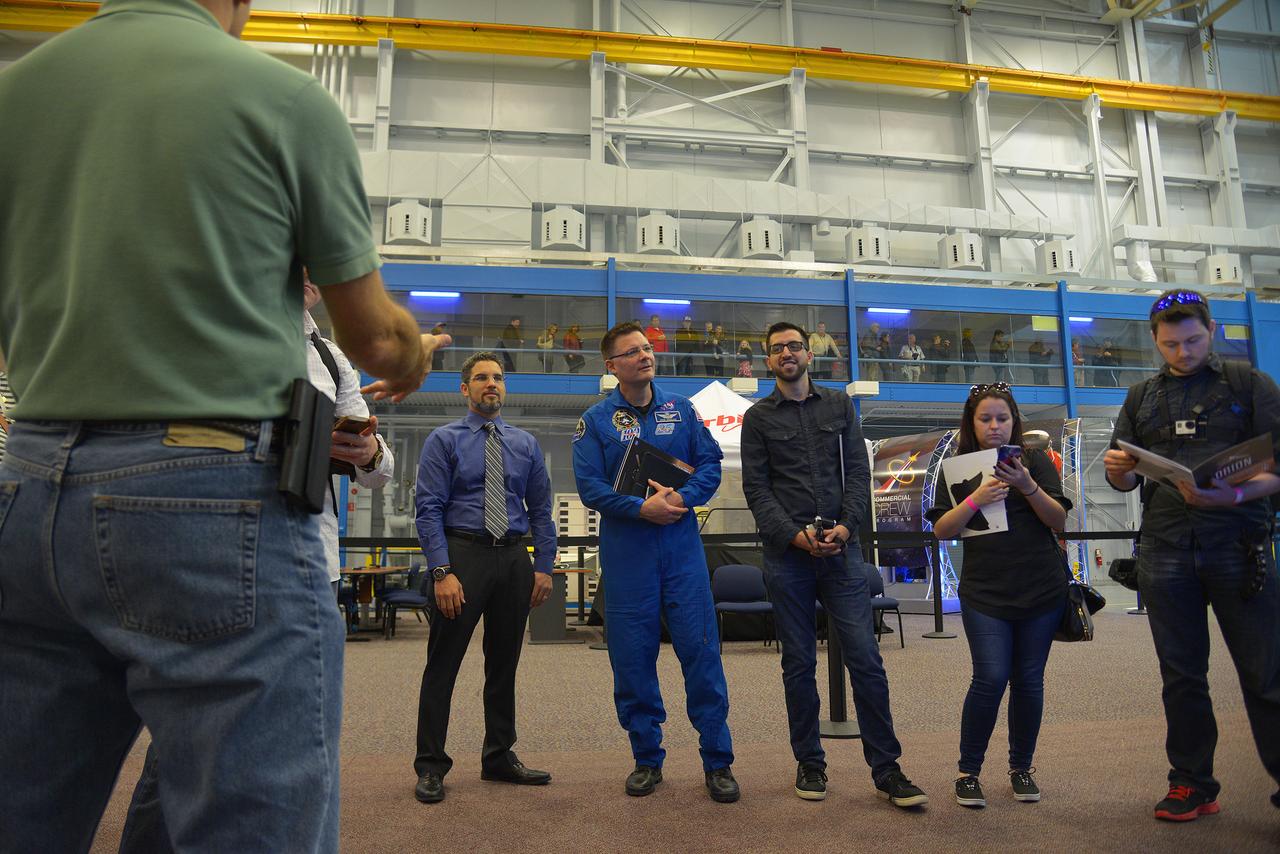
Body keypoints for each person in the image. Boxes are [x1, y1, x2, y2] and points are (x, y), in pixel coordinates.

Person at [0, 0, 448, 847]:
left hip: (28, 489)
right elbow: (375, 340)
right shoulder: (279, 96)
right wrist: (417, 353)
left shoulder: (15, 93)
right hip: (209, 498)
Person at [118, 276, 399, 851]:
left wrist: (365, 449)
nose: (308, 276)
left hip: (309, 561)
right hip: (215, 553)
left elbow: (380, 467)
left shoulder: (329, 355)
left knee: (301, 740)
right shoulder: (213, 326)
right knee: (190, 736)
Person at [1103, 289, 1280, 822]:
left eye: (1193, 340)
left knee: (1266, 673)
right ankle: (1191, 782)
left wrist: (1230, 495)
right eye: (1170, 344)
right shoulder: (1140, 397)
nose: (1183, 352)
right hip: (1166, 549)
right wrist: (1118, 470)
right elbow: (1124, 476)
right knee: (1181, 675)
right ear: (1155, 341)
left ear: (1211, 329)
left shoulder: (1251, 385)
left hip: (1238, 544)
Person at [740, 321, 928, 809]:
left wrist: (847, 527)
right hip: (787, 559)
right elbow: (757, 490)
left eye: (795, 346)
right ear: (768, 360)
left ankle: (887, 770)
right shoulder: (758, 418)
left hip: (843, 554)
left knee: (866, 659)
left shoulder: (839, 405)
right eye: (777, 347)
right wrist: (794, 536)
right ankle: (810, 763)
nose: (787, 353)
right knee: (798, 664)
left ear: (809, 354)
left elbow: (859, 471)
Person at [572, 322, 740, 804]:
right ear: (613, 366)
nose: (645, 355)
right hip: (628, 560)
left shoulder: (682, 411)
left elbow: (710, 465)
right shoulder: (595, 422)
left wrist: (682, 498)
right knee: (632, 663)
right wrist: (640, 508)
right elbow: (590, 488)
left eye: (647, 348)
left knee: (702, 655)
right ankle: (647, 759)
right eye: (632, 351)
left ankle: (718, 762)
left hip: (682, 555)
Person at [413, 352, 557, 804]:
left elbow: (541, 511)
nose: (490, 384)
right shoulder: (444, 440)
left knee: (504, 664)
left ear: (504, 386)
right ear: (465, 389)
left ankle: (498, 755)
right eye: (480, 378)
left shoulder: (525, 444)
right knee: (443, 665)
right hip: (462, 557)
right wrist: (442, 571)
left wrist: (543, 566)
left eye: (496, 377)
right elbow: (428, 508)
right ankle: (431, 765)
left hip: (513, 559)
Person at [926, 382, 1070, 809]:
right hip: (985, 591)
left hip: (1041, 589)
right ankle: (968, 772)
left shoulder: (1037, 460)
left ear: (1014, 421)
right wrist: (976, 498)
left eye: (1002, 418)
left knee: (1029, 681)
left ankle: (1021, 767)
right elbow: (941, 529)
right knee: (989, 678)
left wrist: (1027, 484)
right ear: (972, 423)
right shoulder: (957, 467)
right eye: (985, 419)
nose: (994, 426)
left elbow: (1058, 520)